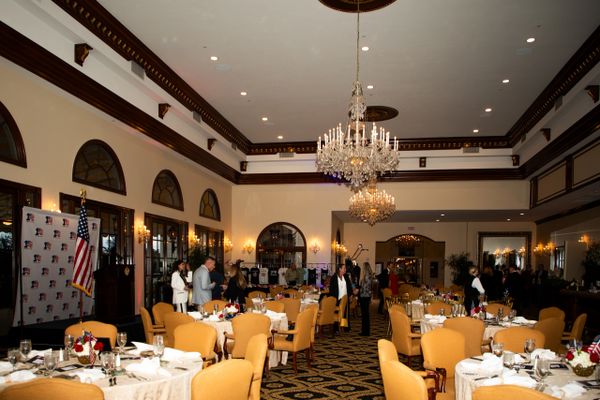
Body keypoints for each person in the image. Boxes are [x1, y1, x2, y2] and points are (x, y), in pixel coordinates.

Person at [328, 263, 356, 332]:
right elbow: (332, 289)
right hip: (337, 299)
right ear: (340, 269)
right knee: (337, 313)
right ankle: (336, 328)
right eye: (344, 268)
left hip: (345, 298)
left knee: (345, 314)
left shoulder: (346, 276)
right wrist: (333, 300)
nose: (345, 269)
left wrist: (351, 295)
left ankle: (345, 327)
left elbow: (349, 287)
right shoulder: (334, 277)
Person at [359, 262, 373, 336]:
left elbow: (364, 288)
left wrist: (359, 290)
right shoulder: (370, 275)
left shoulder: (366, 276)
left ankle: (365, 332)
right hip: (367, 296)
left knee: (365, 315)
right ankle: (366, 331)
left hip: (364, 296)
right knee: (366, 315)